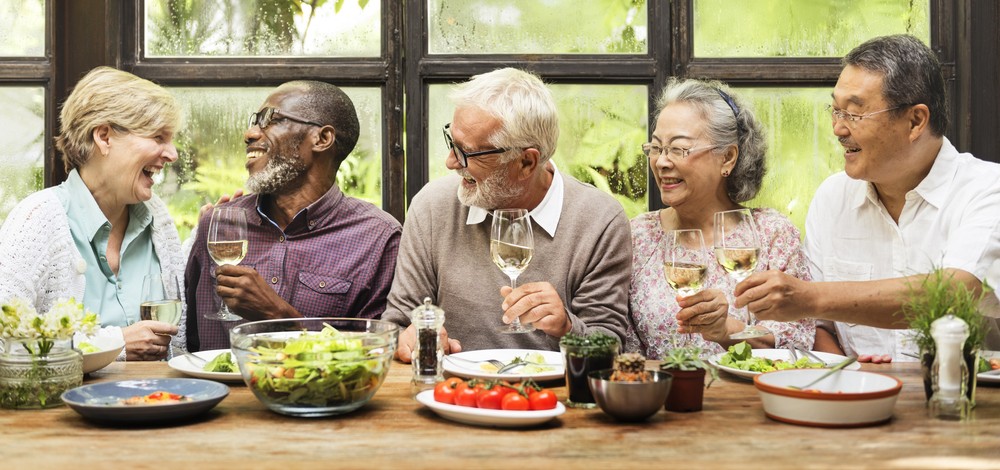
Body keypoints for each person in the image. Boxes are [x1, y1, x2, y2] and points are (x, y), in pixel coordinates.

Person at [734, 34, 1000, 362]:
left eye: (854, 114)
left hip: (962, 400)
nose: (837, 129)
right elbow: (821, 327)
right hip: (858, 400)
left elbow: (954, 293)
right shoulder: (833, 197)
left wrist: (809, 297)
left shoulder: (988, 189)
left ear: (915, 121)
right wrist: (848, 369)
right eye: (835, 111)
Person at [381, 68, 632, 362]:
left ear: (526, 161)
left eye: (467, 153)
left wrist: (567, 327)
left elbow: (611, 348)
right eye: (452, 143)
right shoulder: (433, 207)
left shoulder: (599, 220)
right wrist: (410, 338)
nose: (450, 162)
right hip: (453, 396)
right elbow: (396, 327)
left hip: (554, 401)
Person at [184, 80, 401, 351]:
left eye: (269, 120)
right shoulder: (218, 225)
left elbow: (375, 355)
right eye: (254, 121)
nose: (249, 133)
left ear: (322, 139)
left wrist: (280, 317)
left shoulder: (378, 238)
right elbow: (190, 340)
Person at [0, 67, 184, 361]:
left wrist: (217, 224)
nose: (172, 154)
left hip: (160, 403)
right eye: (159, 137)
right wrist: (117, 343)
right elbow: (4, 342)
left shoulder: (157, 218)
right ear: (104, 137)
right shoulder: (36, 219)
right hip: (66, 407)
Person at [626, 78, 815, 359]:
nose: (662, 162)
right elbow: (623, 348)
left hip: (749, 399)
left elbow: (796, 343)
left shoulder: (771, 234)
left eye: (679, 149)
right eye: (656, 148)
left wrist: (726, 330)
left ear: (727, 157)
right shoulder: (637, 236)